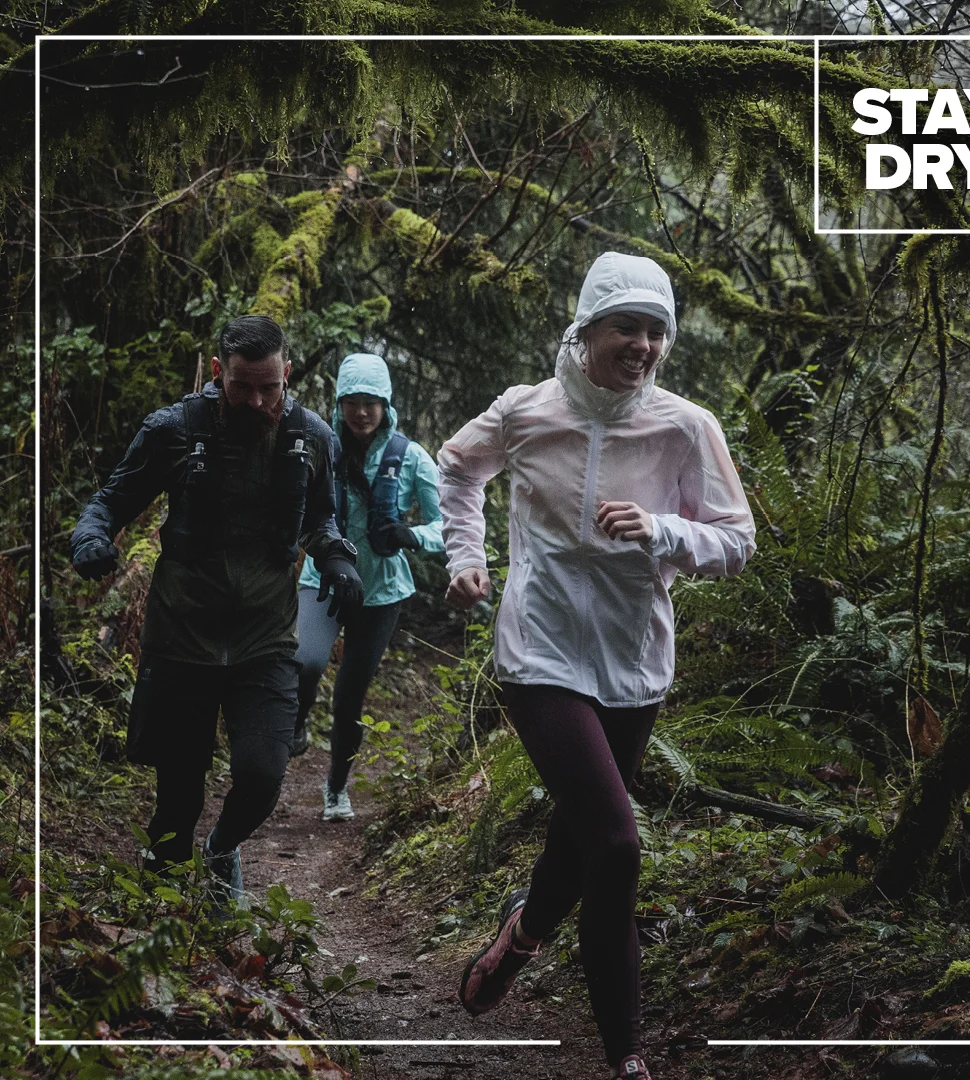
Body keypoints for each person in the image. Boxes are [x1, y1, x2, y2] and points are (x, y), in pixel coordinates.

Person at [437, 251, 756, 1080]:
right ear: (586, 331)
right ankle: (628, 1056)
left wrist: (663, 529)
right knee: (615, 844)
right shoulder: (524, 413)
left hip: (634, 658)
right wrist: (463, 557)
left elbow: (737, 540)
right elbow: (459, 467)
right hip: (538, 650)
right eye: (628, 326)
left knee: (578, 840)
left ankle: (523, 934)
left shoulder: (686, 427)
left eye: (658, 330)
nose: (644, 344)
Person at [70, 315, 363, 906]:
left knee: (262, 774)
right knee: (177, 796)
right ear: (216, 373)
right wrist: (90, 540)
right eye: (241, 387)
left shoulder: (313, 438)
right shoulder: (174, 430)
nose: (257, 401)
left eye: (269, 388)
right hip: (183, 636)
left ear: (287, 372)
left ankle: (222, 849)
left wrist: (337, 559)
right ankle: (160, 922)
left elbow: (321, 516)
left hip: (265, 637)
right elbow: (109, 500)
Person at [291, 352, 444, 821]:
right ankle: (294, 724)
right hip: (323, 579)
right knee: (307, 661)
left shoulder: (411, 457)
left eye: (371, 402)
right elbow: (292, 511)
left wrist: (414, 535)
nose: (361, 412)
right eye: (352, 401)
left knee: (351, 694)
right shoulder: (320, 447)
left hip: (381, 593)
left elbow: (449, 525)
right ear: (339, 404)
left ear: (386, 405)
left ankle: (336, 787)